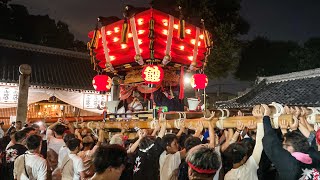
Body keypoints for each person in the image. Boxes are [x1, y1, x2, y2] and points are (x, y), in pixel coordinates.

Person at [262, 104, 320, 179]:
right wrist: (296, 122)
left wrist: (266, 117)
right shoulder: (314, 157)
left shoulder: (290, 167)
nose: (282, 147)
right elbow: (310, 138)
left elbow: (272, 145)